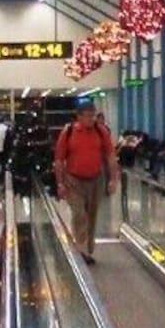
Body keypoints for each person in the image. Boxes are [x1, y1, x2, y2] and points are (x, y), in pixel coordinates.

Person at [53, 101, 118, 265]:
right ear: (79, 116)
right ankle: (81, 249)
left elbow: (110, 156)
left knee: (91, 216)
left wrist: (113, 178)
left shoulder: (101, 132)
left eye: (93, 115)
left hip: (96, 180)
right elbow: (59, 160)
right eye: (88, 116)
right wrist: (60, 183)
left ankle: (88, 249)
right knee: (79, 214)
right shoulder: (68, 132)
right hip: (73, 180)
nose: (91, 119)